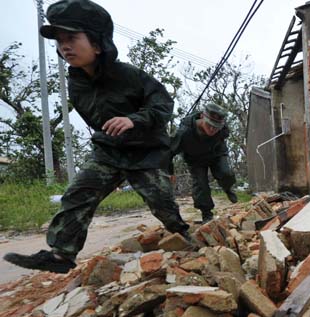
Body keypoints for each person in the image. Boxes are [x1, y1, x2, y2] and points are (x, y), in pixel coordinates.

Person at [3, 0, 189, 273]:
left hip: (146, 152)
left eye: (72, 38)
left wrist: (133, 120)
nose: (64, 46)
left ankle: (188, 239)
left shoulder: (129, 75)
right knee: (77, 195)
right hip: (109, 151)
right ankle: (61, 255)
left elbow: (163, 106)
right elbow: (96, 121)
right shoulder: (76, 82)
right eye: (60, 40)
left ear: (98, 44)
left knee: (162, 204)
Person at [172, 103, 237, 223]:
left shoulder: (223, 128)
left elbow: (224, 136)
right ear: (202, 116)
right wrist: (169, 172)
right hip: (195, 160)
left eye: (216, 127)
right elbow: (170, 152)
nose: (212, 130)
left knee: (226, 173)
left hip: (216, 153)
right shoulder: (184, 132)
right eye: (210, 125)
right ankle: (206, 214)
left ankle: (228, 188)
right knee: (201, 185)